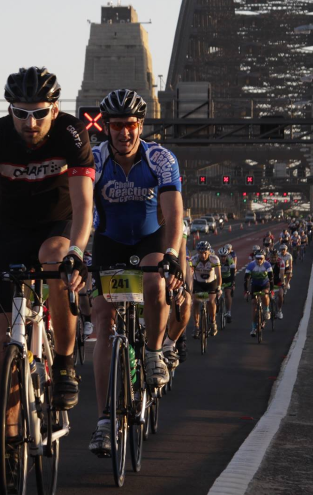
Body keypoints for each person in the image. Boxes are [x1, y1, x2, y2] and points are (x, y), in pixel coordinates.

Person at [0, 67, 94, 488]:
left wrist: (77, 253)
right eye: (20, 113)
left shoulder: (72, 134)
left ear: (55, 108)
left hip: (57, 227)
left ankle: (63, 364)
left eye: (39, 113)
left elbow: (84, 207)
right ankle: (8, 446)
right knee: (2, 349)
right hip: (10, 234)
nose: (30, 123)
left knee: (55, 259)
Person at [83, 89, 184, 457]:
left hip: (148, 239)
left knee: (155, 281)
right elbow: (80, 210)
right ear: (106, 127)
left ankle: (155, 352)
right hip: (109, 242)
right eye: (116, 126)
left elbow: (173, 215)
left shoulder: (160, 158)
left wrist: (171, 254)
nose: (123, 132)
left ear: (139, 125)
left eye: (129, 125)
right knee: (102, 319)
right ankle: (104, 422)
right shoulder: (94, 159)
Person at [189, 240, 221, 338]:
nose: (203, 255)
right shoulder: (194, 260)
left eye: (205, 253)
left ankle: (213, 321)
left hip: (211, 283)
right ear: (197, 252)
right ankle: (196, 326)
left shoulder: (214, 259)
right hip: (198, 283)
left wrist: (219, 287)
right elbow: (190, 275)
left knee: (211, 302)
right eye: (200, 253)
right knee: (195, 302)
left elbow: (219, 276)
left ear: (209, 251)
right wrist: (189, 289)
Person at [244, 250, 274, 336]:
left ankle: (267, 309)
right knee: (254, 304)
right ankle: (253, 327)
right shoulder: (251, 265)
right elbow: (246, 279)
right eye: (257, 258)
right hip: (255, 285)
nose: (259, 260)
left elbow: (271, 278)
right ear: (255, 258)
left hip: (265, 284)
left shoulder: (267, 264)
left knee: (265, 295)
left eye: (261, 258)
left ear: (264, 258)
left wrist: (271, 290)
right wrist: (246, 291)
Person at [274, 242, 293, 319]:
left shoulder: (289, 256)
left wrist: (291, 271)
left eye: (284, 250)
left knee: (289, 273)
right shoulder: (277, 255)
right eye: (281, 250)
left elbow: (291, 265)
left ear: (286, 250)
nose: (282, 251)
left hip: (286, 267)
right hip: (279, 268)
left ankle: (287, 283)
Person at [218, 243, 236, 323]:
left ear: (227, 256)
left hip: (228, 278)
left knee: (227, 293)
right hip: (219, 279)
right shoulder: (216, 261)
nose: (223, 258)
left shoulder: (230, 261)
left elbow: (233, 274)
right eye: (221, 256)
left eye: (224, 256)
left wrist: (233, 284)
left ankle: (228, 312)